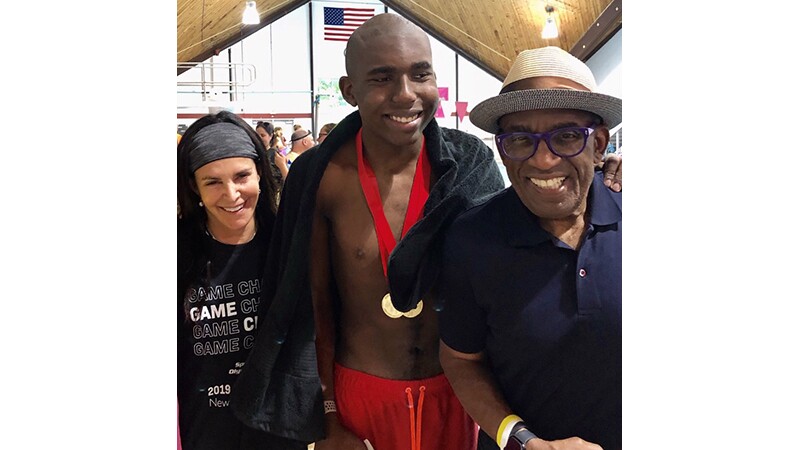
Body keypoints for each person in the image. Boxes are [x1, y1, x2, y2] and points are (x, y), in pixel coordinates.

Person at [229, 14, 623, 450]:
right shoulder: (323, 176)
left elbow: (529, 211)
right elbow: (311, 303)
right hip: (362, 393)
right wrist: (329, 416)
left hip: (459, 395)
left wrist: (603, 172)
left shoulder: (469, 161)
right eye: (382, 78)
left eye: (421, 74)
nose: (405, 95)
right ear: (349, 91)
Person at [437, 46, 622, 450]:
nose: (542, 159)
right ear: (502, 150)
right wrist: (523, 440)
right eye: (521, 139)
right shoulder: (473, 239)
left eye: (568, 136)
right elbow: (461, 360)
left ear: (599, 144)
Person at [177, 111, 305, 450]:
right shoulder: (177, 255)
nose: (232, 194)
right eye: (213, 182)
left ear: (261, 173)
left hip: (280, 434)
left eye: (241, 176)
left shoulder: (289, 247)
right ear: (194, 187)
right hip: (205, 434)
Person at [256, 120, 289, 191]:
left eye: (263, 135)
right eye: (257, 135)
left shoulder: (274, 154)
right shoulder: (254, 153)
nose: (259, 138)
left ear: (270, 136)